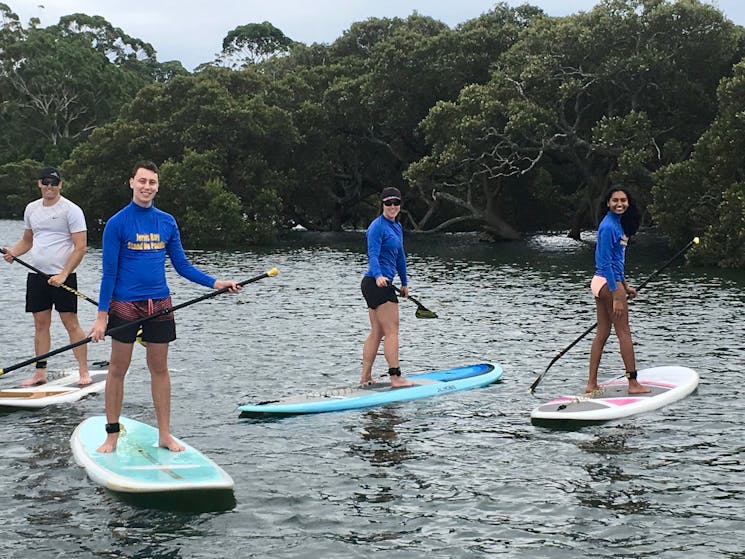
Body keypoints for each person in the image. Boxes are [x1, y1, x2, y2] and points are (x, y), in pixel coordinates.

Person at [89, 160, 240, 453]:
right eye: (142, 181)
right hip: (125, 305)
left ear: (158, 186)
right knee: (118, 369)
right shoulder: (117, 223)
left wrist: (215, 282)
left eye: (152, 183)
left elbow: (182, 266)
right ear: (131, 182)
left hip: (160, 304)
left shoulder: (167, 222)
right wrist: (101, 317)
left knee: (159, 369)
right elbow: (109, 273)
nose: (147, 187)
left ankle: (165, 434)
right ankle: (111, 435)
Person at [2, 166, 92, 387]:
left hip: (63, 276)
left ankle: (83, 371)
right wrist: (13, 252)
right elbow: (28, 240)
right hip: (37, 276)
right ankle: (40, 373)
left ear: (60, 185)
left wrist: (63, 274)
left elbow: (80, 247)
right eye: (46, 182)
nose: (49, 186)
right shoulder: (31, 209)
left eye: (54, 182)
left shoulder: (71, 210)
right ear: (39, 184)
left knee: (70, 323)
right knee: (40, 324)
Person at [586, 186, 650, 395]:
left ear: (628, 202)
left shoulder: (618, 224)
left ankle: (592, 383)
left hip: (604, 282)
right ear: (608, 203)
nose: (619, 204)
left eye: (623, 200)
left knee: (603, 332)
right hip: (607, 282)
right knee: (624, 333)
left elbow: (616, 261)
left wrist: (625, 285)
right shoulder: (607, 227)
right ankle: (633, 384)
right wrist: (616, 294)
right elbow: (605, 263)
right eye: (615, 200)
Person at [359, 187, 414, 388]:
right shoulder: (376, 227)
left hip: (383, 284)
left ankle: (365, 378)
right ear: (382, 205)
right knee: (392, 331)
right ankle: (395, 377)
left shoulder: (397, 227)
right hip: (376, 283)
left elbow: (400, 257)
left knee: (378, 331)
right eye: (388, 203)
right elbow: (372, 255)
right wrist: (379, 275)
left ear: (400, 205)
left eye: (396, 203)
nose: (392, 207)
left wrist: (405, 282)